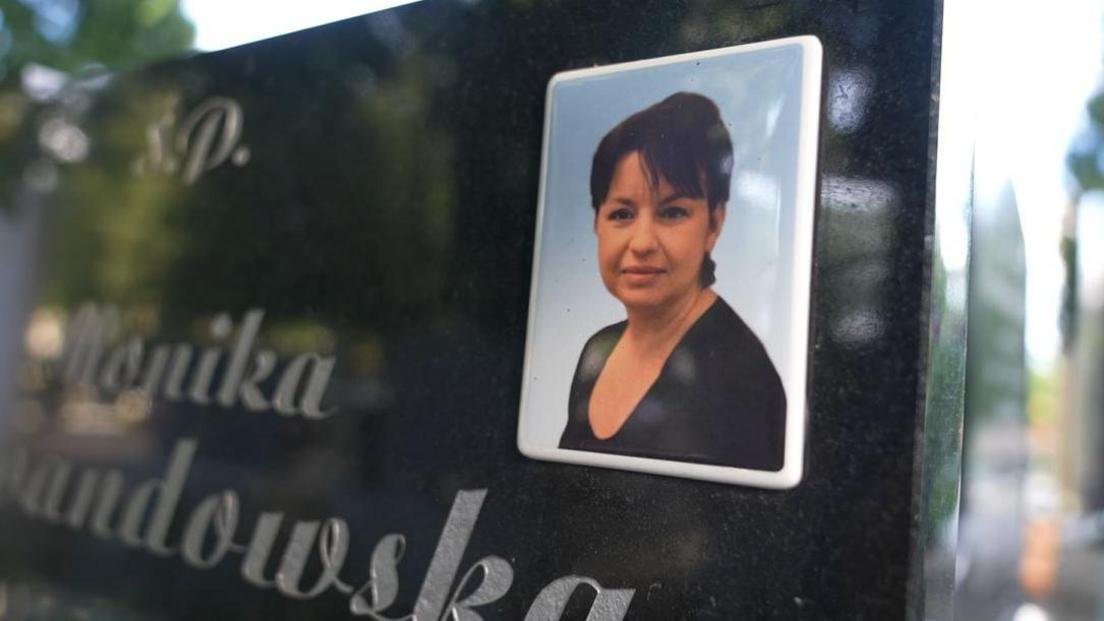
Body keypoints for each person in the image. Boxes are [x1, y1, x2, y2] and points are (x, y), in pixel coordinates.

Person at [558, 92, 786, 471]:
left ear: (714, 224)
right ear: (597, 222)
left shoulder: (739, 378)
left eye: (673, 212)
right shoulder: (597, 350)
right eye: (622, 214)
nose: (643, 242)